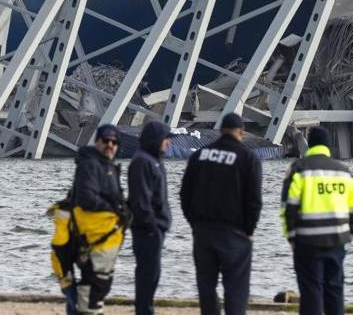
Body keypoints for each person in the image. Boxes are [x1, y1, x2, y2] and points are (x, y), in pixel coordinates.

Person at [179, 112, 262, 315]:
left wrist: (195, 224)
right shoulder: (248, 158)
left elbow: (185, 194)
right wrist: (249, 230)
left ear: (220, 131)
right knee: (235, 288)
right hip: (235, 233)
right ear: (241, 132)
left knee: (206, 286)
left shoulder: (199, 156)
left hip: (203, 232)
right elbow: (254, 200)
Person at [282, 126, 353, 315]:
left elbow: (288, 207)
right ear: (328, 145)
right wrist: (349, 235)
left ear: (310, 144)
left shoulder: (299, 169)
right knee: (335, 290)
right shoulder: (344, 171)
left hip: (307, 241)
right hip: (337, 241)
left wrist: (291, 237)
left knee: (311, 291)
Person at [52, 124, 128, 315]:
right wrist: (116, 211)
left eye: (114, 142)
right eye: (105, 140)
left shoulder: (106, 165)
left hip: (99, 239)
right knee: (93, 286)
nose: (110, 145)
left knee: (96, 286)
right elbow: (87, 199)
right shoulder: (91, 165)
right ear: (97, 142)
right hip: (91, 239)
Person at [127, 121, 174, 315]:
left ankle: (147, 309)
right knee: (147, 275)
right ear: (156, 139)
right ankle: (144, 311)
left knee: (153, 275)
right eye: (165, 139)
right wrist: (152, 226)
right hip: (147, 231)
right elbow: (141, 200)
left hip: (155, 229)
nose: (168, 143)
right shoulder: (142, 161)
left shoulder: (154, 160)